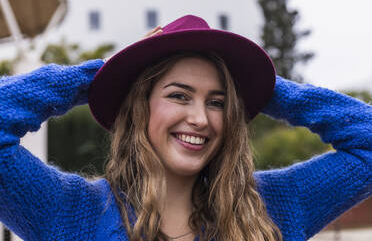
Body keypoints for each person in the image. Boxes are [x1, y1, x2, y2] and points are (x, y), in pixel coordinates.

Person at [0, 15, 371, 241]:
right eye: (179, 96)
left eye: (217, 102)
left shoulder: (275, 205)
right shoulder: (69, 211)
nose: (200, 118)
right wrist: (101, 74)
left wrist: (266, 87)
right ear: (139, 107)